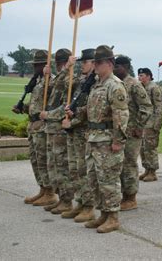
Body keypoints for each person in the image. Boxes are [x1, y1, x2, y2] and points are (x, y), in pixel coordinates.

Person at [67, 45, 129, 233]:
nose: (95, 66)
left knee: (109, 180)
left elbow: (121, 115)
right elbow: (91, 110)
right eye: (94, 62)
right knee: (94, 179)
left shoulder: (114, 85)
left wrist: (118, 141)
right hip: (93, 138)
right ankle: (103, 213)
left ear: (109, 63)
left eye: (98, 63)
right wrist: (76, 111)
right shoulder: (96, 84)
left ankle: (113, 217)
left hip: (108, 140)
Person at [12, 49, 57, 206]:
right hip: (33, 126)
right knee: (35, 159)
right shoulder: (36, 81)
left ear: (45, 65)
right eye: (34, 65)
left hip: (42, 126)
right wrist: (23, 108)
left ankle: (50, 192)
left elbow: (54, 96)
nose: (35, 68)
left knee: (43, 159)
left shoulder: (50, 80)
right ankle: (42, 189)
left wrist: (47, 75)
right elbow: (36, 105)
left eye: (38, 65)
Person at [60, 49, 97, 222]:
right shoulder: (82, 80)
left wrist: (72, 121)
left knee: (84, 171)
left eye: (85, 62)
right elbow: (64, 85)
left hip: (83, 131)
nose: (82, 65)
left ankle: (89, 206)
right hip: (74, 131)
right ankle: (80, 202)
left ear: (93, 63)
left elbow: (91, 109)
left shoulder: (96, 82)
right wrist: (68, 67)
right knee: (74, 170)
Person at [114, 55, 152, 211]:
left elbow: (146, 107)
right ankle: (122, 195)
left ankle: (130, 197)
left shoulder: (134, 84)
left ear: (125, 67)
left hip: (131, 132)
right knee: (119, 164)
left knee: (129, 164)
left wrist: (139, 126)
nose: (115, 69)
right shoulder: (116, 84)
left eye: (117, 66)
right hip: (119, 132)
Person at [40, 48, 74, 214]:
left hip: (60, 127)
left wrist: (49, 114)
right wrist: (46, 75)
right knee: (53, 165)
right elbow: (52, 87)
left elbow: (66, 105)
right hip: (51, 128)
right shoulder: (61, 76)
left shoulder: (71, 77)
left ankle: (67, 200)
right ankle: (61, 197)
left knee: (61, 166)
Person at [138, 68, 162, 182]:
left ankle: (152, 171)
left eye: (142, 75)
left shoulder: (154, 88)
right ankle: (147, 169)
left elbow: (159, 106)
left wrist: (157, 123)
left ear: (148, 76)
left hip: (152, 122)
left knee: (150, 147)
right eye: (139, 75)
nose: (139, 77)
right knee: (143, 148)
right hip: (143, 122)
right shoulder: (141, 88)